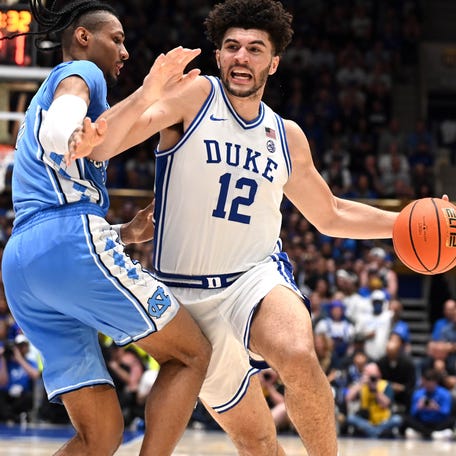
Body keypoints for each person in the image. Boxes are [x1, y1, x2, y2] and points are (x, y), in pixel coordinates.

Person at [70, 1, 441, 454]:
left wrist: (406, 223)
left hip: (253, 278)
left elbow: (331, 213)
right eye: (232, 48)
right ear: (220, 56)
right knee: (259, 442)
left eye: (254, 49)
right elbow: (106, 147)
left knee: (298, 354)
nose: (241, 57)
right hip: (186, 302)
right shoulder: (197, 96)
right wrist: (148, 93)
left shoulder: (287, 135)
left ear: (273, 62)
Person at [0, 1, 211, 455]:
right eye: (115, 39)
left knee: (100, 437)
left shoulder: (51, 106)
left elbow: (55, 203)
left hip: (22, 265)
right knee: (191, 354)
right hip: (67, 245)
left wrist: (125, 233)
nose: (124, 50)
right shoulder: (81, 73)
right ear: (82, 37)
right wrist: (151, 89)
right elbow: (63, 126)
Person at [344, 362, 402, 438]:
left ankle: (373, 432)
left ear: (379, 375)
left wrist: (376, 391)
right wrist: (360, 383)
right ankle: (377, 432)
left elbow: (386, 404)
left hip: (383, 421)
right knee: (350, 418)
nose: (371, 379)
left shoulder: (385, 385)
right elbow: (348, 398)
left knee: (397, 419)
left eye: (373, 377)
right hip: (367, 422)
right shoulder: (362, 386)